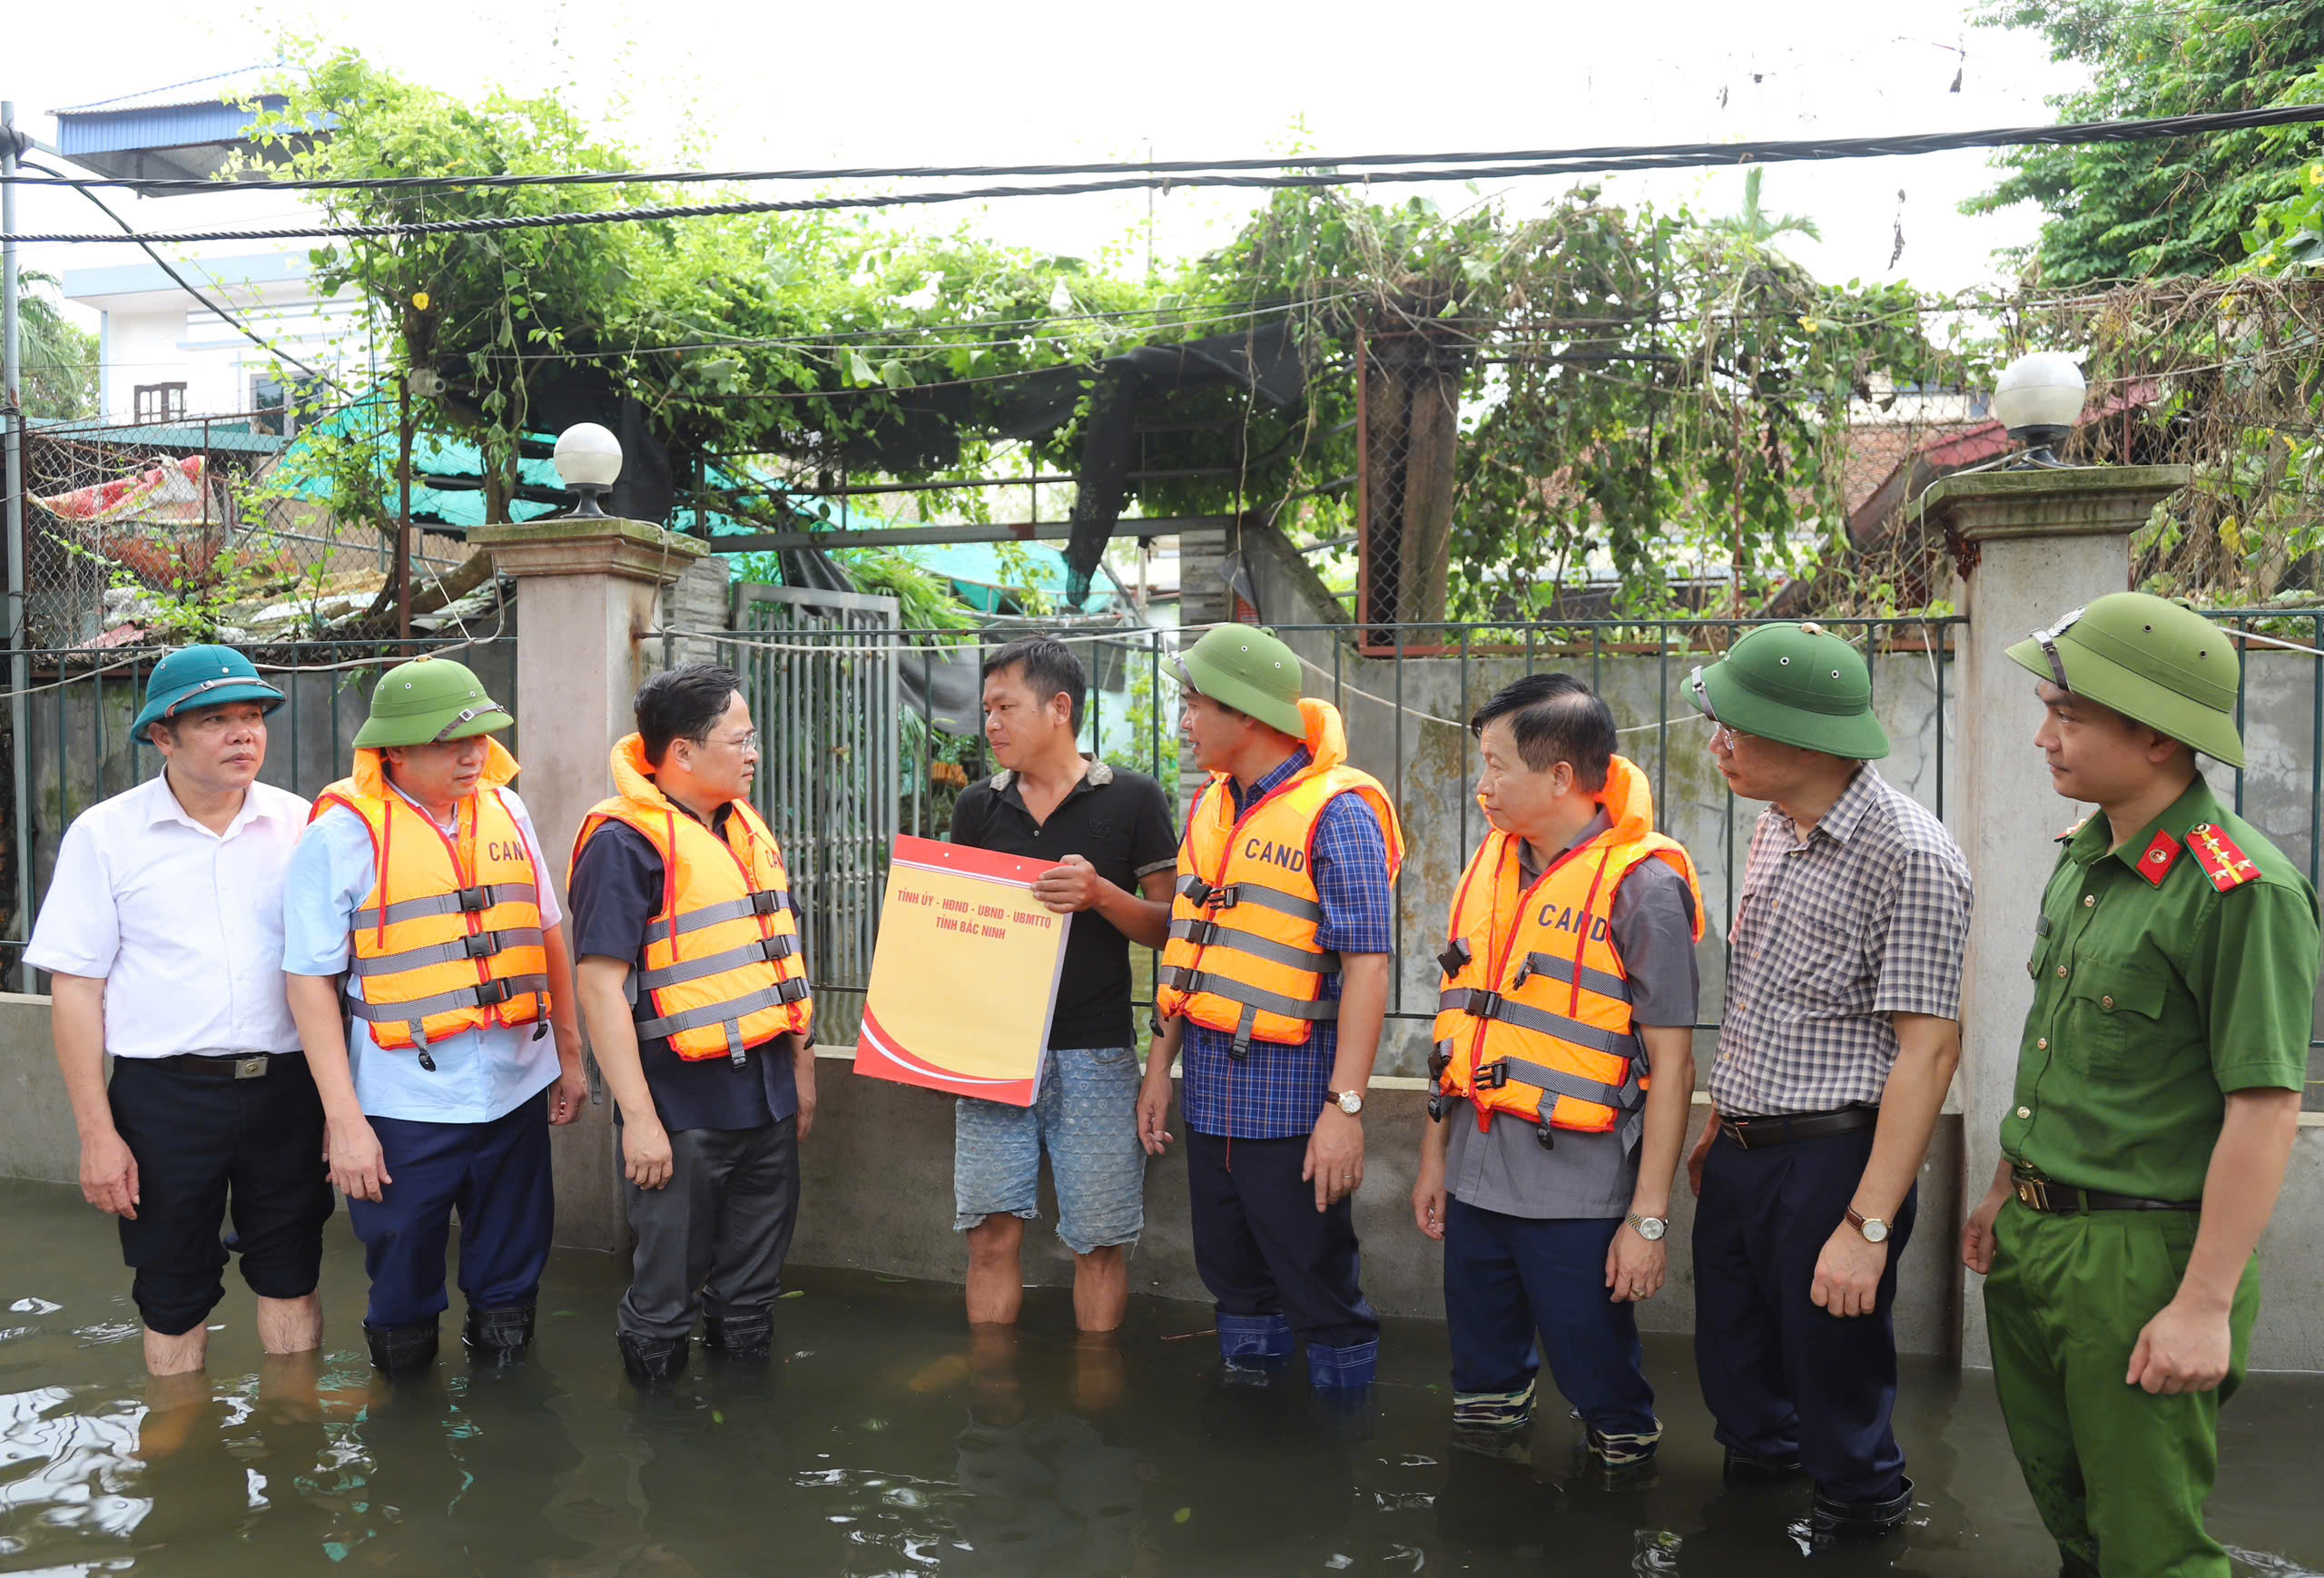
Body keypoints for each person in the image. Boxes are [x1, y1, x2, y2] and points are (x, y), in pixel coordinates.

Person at [1961, 594, 2319, 1578]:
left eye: (2067, 716)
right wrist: (2003, 1187)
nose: (2042, 736)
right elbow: (2054, 1051)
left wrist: (2201, 1301)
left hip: (2137, 1256)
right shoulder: (2085, 860)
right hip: (2040, 1235)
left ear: (2156, 735)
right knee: (2072, 1511)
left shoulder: (2239, 891)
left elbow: (2265, 1105)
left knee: (2151, 1542)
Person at [1682, 621, 1971, 1537]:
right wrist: (1718, 1121)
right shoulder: (1775, 825)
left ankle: (1861, 1527)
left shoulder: (1910, 856)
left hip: (1833, 1164)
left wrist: (1866, 1225)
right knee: (1736, 1375)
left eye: (1733, 726)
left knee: (1836, 1396)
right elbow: (1762, 992)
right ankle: (1752, 1529)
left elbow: (1927, 1054)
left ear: (1806, 739)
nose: (1716, 743)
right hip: (1741, 1150)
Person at [1413, 674, 1703, 1479]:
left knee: (1603, 1393)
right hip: (1475, 1179)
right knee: (1481, 1391)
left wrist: (1647, 1222)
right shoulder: (1490, 869)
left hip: (1577, 1193)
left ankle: (1613, 1516)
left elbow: (1674, 1067)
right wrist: (1435, 1161)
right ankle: (1484, 1526)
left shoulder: (1644, 887)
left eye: (1498, 766)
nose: (1483, 786)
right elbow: (1459, 1026)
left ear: (1562, 778)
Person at [26, 644, 330, 1376]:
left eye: (253, 716)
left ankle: (293, 1427)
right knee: (168, 1282)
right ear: (162, 735)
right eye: (216, 719)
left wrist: (343, 1108)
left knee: (292, 1265)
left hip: (289, 1086)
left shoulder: (306, 826)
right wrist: (97, 1134)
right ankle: (177, 1442)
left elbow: (334, 975)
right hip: (164, 1095)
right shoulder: (106, 836)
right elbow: (76, 990)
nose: (243, 734)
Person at [281, 656, 586, 1374]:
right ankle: (405, 1437)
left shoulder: (506, 808)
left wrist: (570, 1058)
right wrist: (346, 1122)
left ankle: (509, 1418)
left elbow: (546, 932)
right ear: (394, 748)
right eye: (450, 742)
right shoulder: (340, 836)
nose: (472, 754)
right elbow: (307, 983)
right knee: (402, 1281)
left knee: (513, 1276)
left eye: (479, 737)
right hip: (402, 1103)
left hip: (515, 1086)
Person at [1137, 625, 1404, 1393]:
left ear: (1246, 712)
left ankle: (1337, 1458)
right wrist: (1161, 1069)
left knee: (1320, 1292)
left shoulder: (1340, 813)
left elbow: (1369, 967)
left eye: (1193, 704)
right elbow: (1190, 950)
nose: (1183, 721)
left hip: (1294, 1105)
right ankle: (1252, 1441)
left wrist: (1345, 1108)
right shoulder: (1213, 809)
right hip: (1212, 1096)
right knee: (1233, 1283)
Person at [567, 664, 815, 1384]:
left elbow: (781, 957)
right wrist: (639, 1121)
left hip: (766, 1100)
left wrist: (801, 1073)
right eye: (739, 740)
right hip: (681, 1114)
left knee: (751, 1299)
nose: (752, 753)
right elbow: (599, 988)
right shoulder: (622, 843)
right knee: (663, 1301)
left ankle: (740, 1453)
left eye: (752, 738)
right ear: (681, 752)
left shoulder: (743, 829)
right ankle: (663, 1452)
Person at [947, 636, 1178, 1332]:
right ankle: (990, 1412)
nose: (990, 723)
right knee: (988, 1236)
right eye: (986, 708)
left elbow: (1174, 928)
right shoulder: (977, 810)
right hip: (992, 1055)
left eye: (1005, 706)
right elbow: (951, 936)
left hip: (1097, 1054)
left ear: (1059, 708)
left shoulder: (1135, 799)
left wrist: (1101, 894)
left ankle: (1097, 1407)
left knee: (1101, 1245)